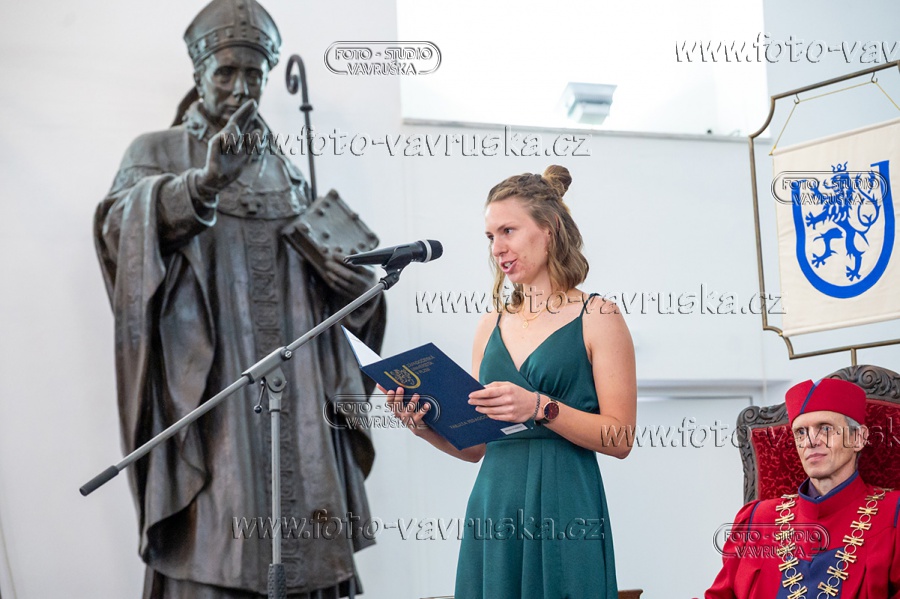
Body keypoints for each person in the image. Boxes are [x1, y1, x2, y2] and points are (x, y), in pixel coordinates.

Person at [93, 1, 385, 597]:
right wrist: (203, 185)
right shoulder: (158, 151)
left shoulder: (289, 172)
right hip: (212, 392)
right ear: (199, 73)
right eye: (225, 72)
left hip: (301, 391)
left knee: (305, 540)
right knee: (218, 547)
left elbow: (335, 289)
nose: (239, 87)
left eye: (253, 74)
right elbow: (118, 232)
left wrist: (361, 297)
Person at [387, 165, 637, 598]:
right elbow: (477, 448)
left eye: (508, 231)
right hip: (494, 506)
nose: (497, 248)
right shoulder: (489, 325)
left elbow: (621, 439)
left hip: (565, 503)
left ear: (549, 229)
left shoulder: (599, 316)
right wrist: (425, 427)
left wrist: (541, 407)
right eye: (490, 236)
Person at [704, 378, 900, 597]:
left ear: (858, 438)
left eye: (825, 428)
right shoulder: (757, 519)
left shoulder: (894, 515)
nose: (810, 441)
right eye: (800, 432)